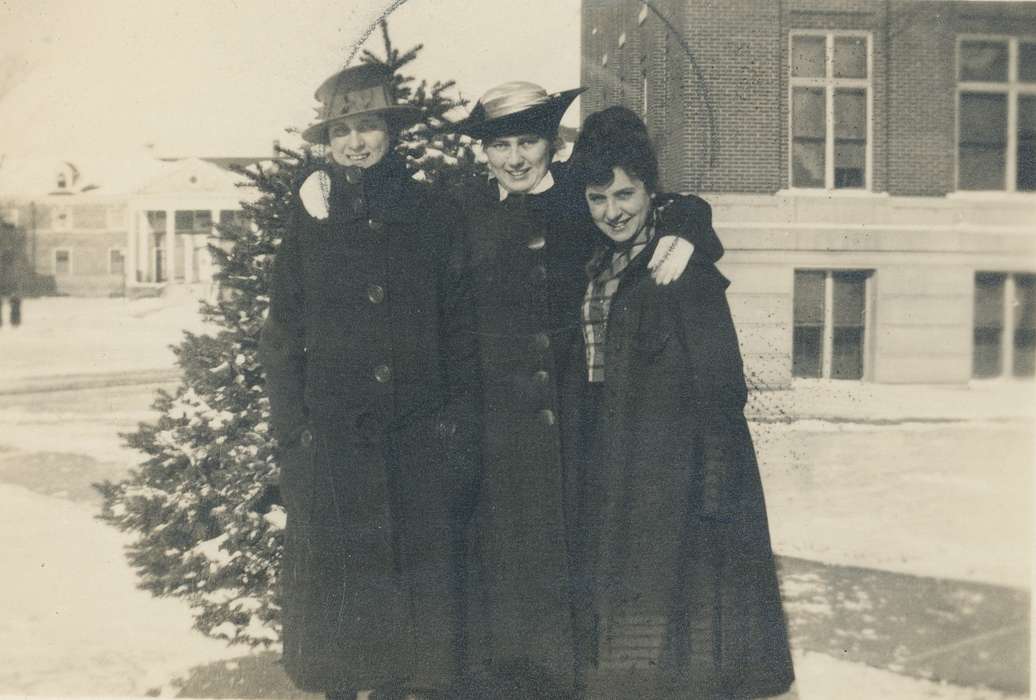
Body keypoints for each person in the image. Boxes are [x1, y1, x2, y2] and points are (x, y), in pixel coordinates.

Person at [447, 83, 724, 698]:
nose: (516, 159)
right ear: (485, 153)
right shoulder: (463, 211)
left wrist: (686, 227)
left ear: (553, 144)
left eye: (529, 141)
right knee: (503, 575)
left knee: (579, 574)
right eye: (501, 145)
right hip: (498, 430)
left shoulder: (582, 196)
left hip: (580, 425)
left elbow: (663, 201)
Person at [259, 63, 481, 700]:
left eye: (369, 126)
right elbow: (281, 334)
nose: (356, 142)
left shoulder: (435, 212)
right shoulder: (311, 217)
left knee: (412, 641)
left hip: (418, 448)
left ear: (392, 132)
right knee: (343, 636)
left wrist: (454, 428)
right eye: (341, 131)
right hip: (334, 451)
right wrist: (294, 435)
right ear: (327, 143)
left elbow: (460, 328)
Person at [561, 105, 796, 699]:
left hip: (675, 474)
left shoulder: (680, 269)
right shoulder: (597, 265)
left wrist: (711, 485)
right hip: (610, 461)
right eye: (597, 198)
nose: (612, 211)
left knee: (680, 630)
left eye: (625, 193)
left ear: (649, 189)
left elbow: (723, 387)